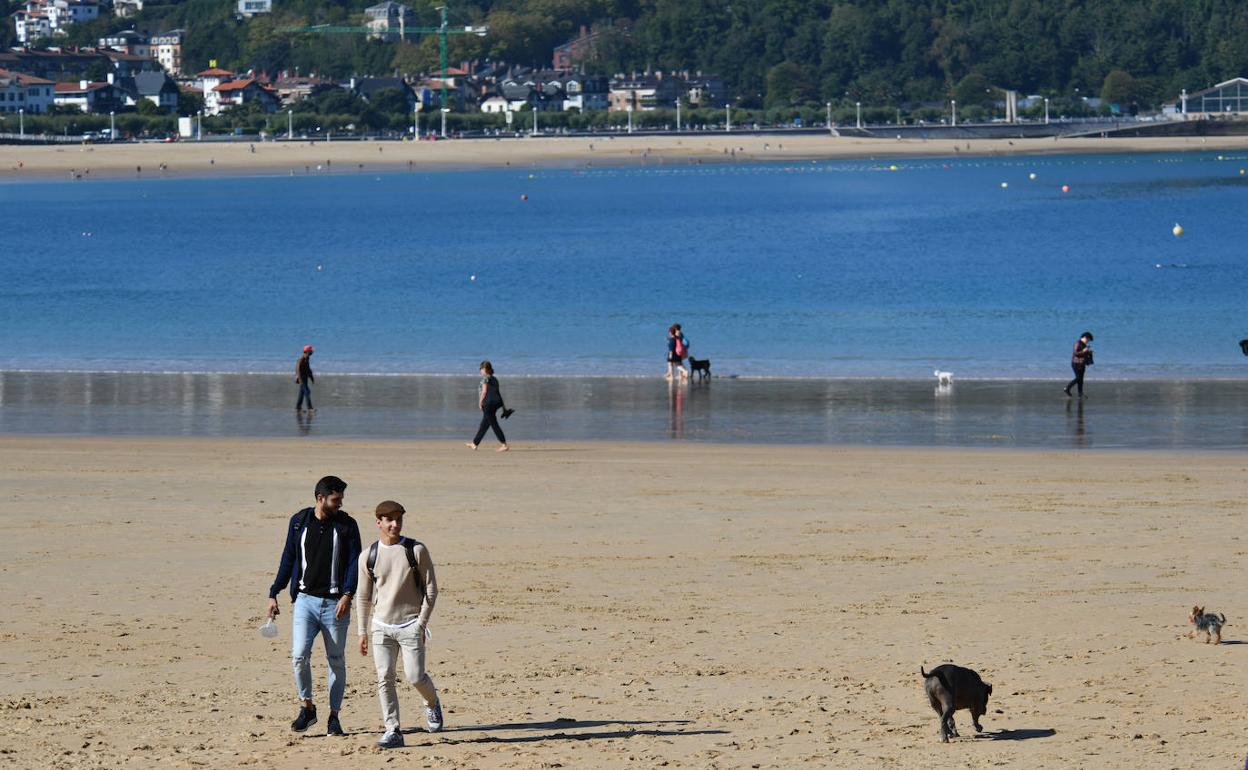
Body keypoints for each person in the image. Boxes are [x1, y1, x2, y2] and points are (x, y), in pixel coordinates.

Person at [266, 475, 362, 737]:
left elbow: (354, 562)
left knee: (336, 661)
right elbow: (288, 557)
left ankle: (334, 717)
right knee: (299, 656)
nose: (340, 504)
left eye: (341, 499)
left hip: (336, 605)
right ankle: (307, 708)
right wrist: (274, 592)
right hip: (305, 602)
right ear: (321, 498)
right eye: (335, 499)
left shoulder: (347, 525)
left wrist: (347, 595)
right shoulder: (299, 522)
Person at [357, 500, 442, 748]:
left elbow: (431, 589)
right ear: (379, 522)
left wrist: (421, 623)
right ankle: (392, 729)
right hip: (381, 627)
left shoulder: (416, 550)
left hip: (410, 625)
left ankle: (432, 703)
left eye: (399, 519)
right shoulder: (368, 556)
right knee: (385, 677)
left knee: (415, 677)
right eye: (389, 520)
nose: (395, 524)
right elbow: (363, 596)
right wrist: (362, 631)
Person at [467, 360, 509, 452]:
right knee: (484, 424)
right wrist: (503, 407)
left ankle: (504, 444)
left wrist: (480, 402)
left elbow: (484, 391)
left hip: (488, 404)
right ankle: (474, 443)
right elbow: (497, 393)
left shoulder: (485, 379)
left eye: (481, 368)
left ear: (485, 369)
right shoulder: (495, 379)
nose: (480, 370)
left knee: (494, 424)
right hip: (496, 403)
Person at [1064, 331, 1094, 397]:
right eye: (1088, 340)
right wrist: (1083, 351)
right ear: (1085, 337)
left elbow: (1084, 354)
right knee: (1078, 378)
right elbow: (1076, 353)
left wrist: (1089, 353)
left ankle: (1080, 393)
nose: (1088, 341)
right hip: (1076, 363)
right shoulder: (1077, 343)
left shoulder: (1084, 345)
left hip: (1082, 364)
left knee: (1081, 380)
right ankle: (1067, 388)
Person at [296, 345, 315, 412]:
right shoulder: (301, 359)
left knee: (301, 393)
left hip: (305, 378)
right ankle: (310, 408)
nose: (312, 352)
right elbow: (297, 370)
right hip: (302, 378)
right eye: (311, 351)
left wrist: (311, 378)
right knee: (307, 392)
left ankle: (298, 407)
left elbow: (308, 369)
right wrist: (300, 379)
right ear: (307, 351)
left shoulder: (307, 359)